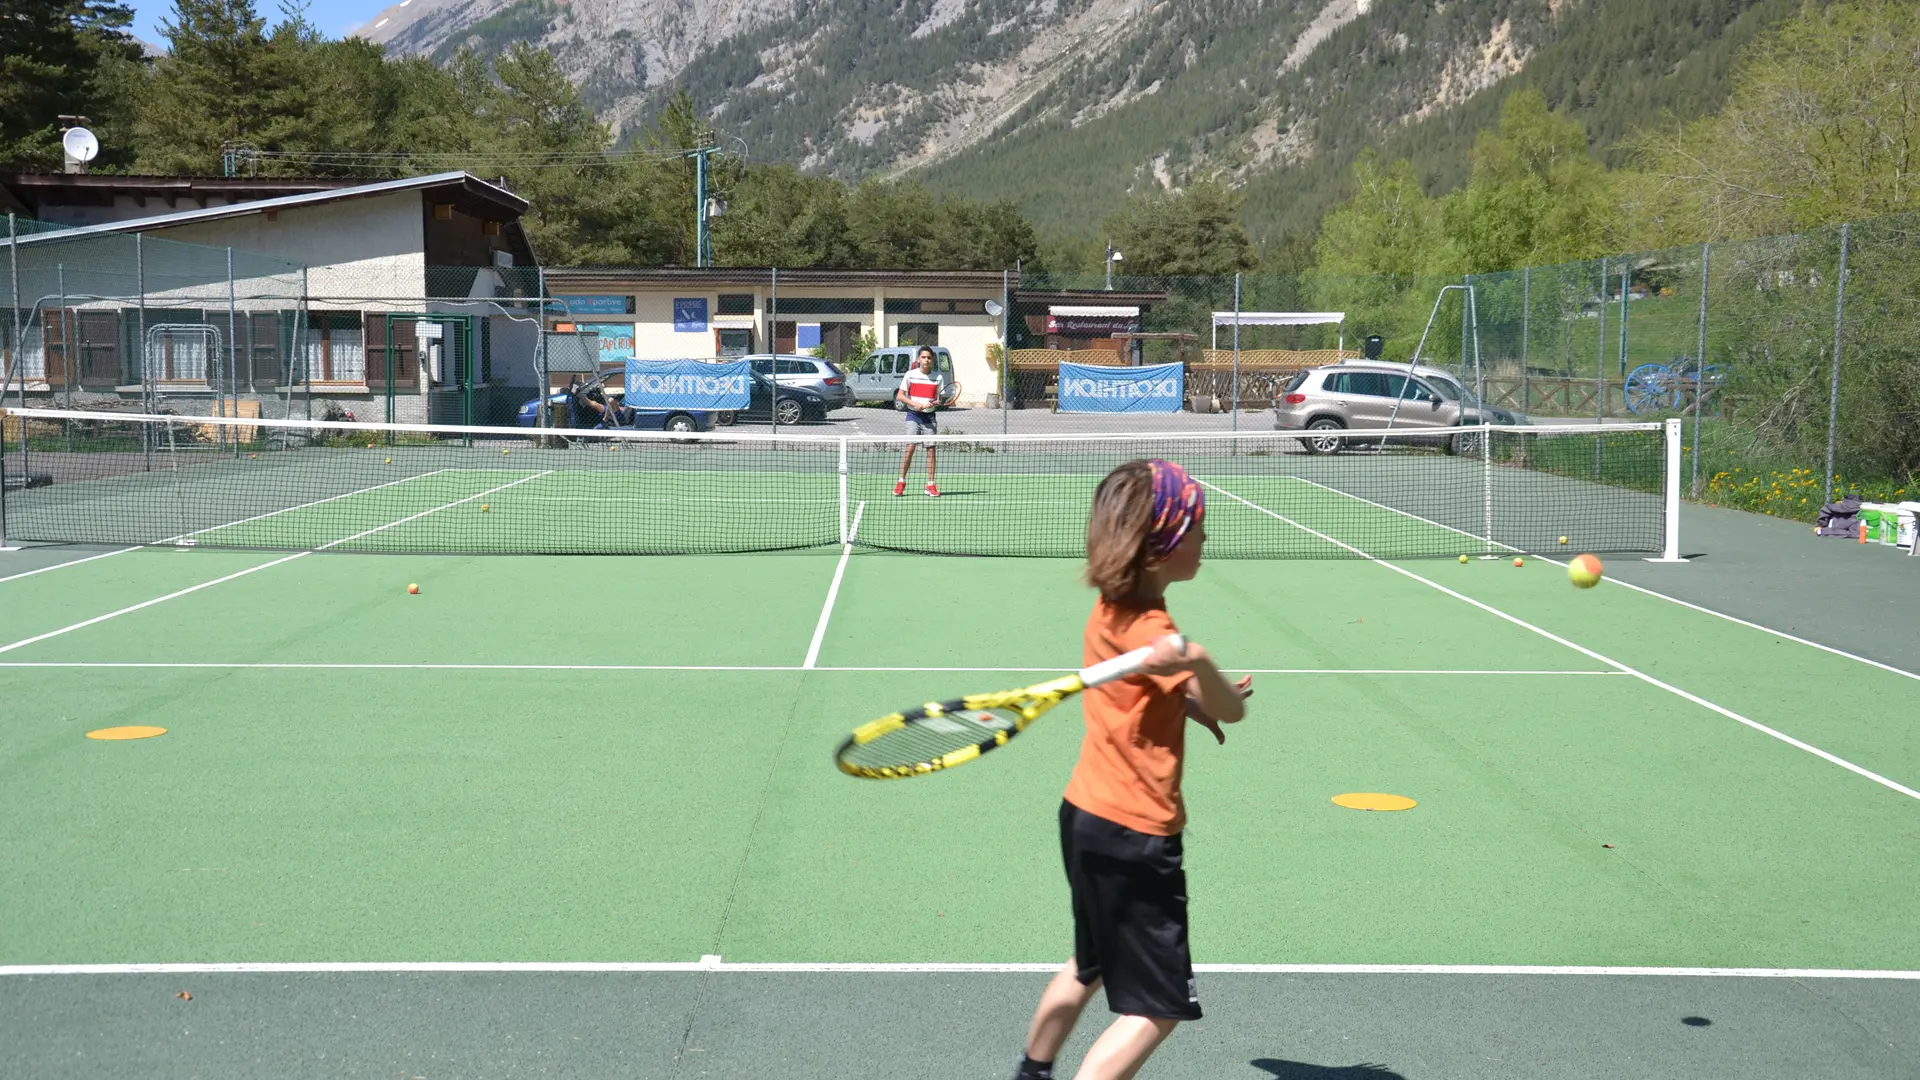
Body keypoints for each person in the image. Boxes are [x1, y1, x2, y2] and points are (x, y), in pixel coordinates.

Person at [1013, 459, 1253, 1080]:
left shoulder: (1110, 611)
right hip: (1137, 835)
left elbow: (1144, 694)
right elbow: (1234, 708)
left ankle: (1031, 1071)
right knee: (1160, 1007)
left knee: (1089, 963)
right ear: (1162, 549)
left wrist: (1188, 704)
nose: (1205, 539)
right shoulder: (1156, 630)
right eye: (1198, 529)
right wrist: (1199, 664)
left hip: (1084, 817)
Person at [893, 346, 942, 497]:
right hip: (913, 415)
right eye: (924, 357)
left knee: (931, 450)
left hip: (929, 417)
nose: (926, 360)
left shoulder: (938, 377)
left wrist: (931, 403)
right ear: (918, 359)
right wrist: (915, 404)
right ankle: (901, 482)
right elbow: (900, 396)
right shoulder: (910, 375)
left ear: (932, 360)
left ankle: (930, 485)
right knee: (910, 448)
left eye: (929, 357)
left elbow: (939, 400)